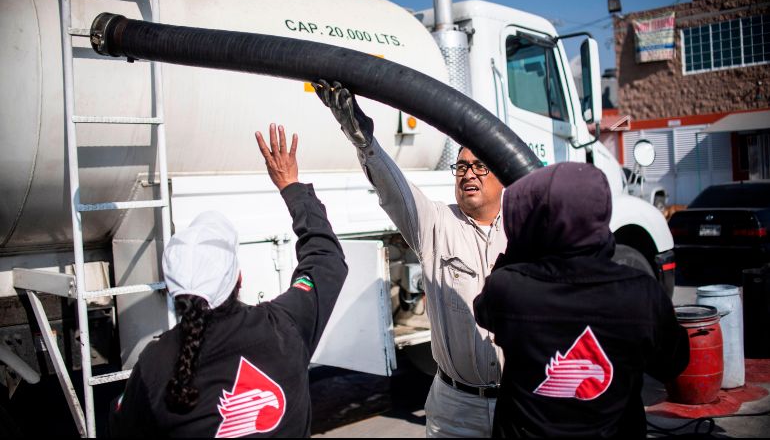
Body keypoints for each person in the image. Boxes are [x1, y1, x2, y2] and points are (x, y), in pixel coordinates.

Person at [108, 124, 348, 437]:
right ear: (239, 278)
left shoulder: (154, 366)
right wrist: (290, 186)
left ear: (171, 290)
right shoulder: (283, 329)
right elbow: (327, 260)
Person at [314, 80, 505, 437]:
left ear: (502, 176)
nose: (468, 174)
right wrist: (362, 140)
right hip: (456, 408)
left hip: (518, 402)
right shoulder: (436, 224)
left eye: (479, 166)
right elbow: (394, 190)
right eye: (461, 167)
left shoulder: (525, 228)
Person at [474, 162, 689, 438]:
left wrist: (520, 246)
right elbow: (673, 363)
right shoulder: (642, 293)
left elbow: (483, 311)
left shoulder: (509, 288)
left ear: (537, 220)